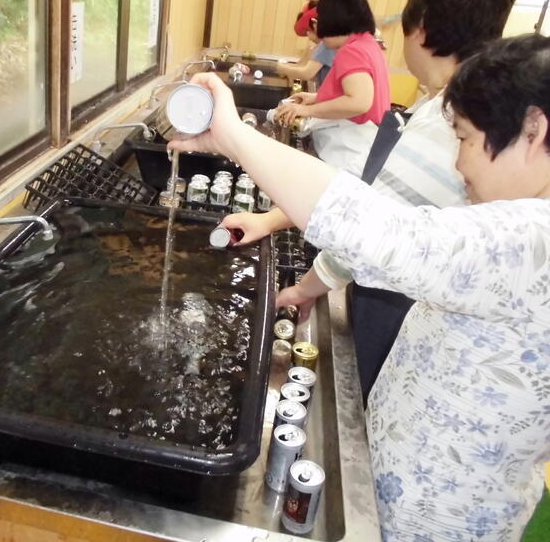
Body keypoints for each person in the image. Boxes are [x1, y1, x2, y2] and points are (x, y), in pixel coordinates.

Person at [170, 34, 550, 540]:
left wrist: (235, 137)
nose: (459, 163)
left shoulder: (535, 241)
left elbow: (384, 234)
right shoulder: (522, 226)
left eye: (464, 139)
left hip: (439, 519)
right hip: (404, 487)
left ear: (533, 130)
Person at [230, 0, 517, 406]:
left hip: (400, 309)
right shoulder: (451, 105)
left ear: (420, 27)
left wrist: (306, 287)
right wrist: (274, 220)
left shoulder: (451, 119)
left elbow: (375, 226)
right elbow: (377, 196)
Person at [277, 0, 391, 173]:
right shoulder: (367, 43)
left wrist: (307, 110)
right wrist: (316, 98)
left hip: (351, 148)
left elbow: (359, 102)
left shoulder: (352, 51)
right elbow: (358, 93)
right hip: (366, 143)